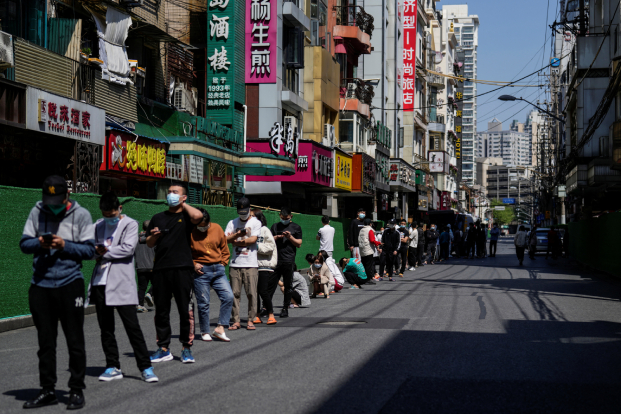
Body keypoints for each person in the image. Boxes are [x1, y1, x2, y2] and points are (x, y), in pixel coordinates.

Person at [20, 175, 95, 409]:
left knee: (75, 340)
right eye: (48, 199)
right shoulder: (37, 212)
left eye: (57, 199)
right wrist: (40, 243)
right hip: (40, 285)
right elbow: (24, 244)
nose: (52, 204)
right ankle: (47, 390)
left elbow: (89, 251)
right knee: (45, 342)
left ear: (67, 196)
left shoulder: (81, 215)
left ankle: (76, 390)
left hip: (70, 283)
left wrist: (65, 245)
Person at [90, 192, 157, 384]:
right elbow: (89, 250)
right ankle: (112, 366)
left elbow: (128, 248)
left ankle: (145, 367)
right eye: (105, 215)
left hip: (122, 284)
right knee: (106, 328)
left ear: (120, 209)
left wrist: (103, 251)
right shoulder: (97, 225)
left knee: (132, 327)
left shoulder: (130, 224)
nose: (108, 218)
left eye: (111, 214)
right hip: (100, 283)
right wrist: (96, 252)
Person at [147, 183, 203, 364]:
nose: (170, 194)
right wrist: (154, 236)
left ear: (183, 197)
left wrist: (182, 204)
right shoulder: (158, 217)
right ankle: (163, 348)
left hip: (183, 268)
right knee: (161, 310)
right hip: (161, 269)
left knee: (185, 310)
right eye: (169, 192)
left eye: (175, 192)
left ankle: (186, 348)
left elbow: (198, 216)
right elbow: (148, 243)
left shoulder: (187, 217)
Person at [191, 207, 233, 342]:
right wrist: (193, 264)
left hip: (218, 269)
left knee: (228, 296)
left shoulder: (217, 228)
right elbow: (184, 251)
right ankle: (204, 331)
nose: (203, 228)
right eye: (200, 226)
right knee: (203, 302)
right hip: (201, 270)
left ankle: (220, 328)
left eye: (206, 226)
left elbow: (224, 248)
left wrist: (223, 263)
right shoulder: (190, 231)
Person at [225, 197, 261, 331]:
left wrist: (238, 241)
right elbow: (226, 239)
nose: (242, 215)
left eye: (244, 212)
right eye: (240, 212)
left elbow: (253, 239)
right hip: (235, 263)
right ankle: (236, 320)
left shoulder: (256, 222)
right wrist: (237, 235)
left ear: (249, 210)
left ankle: (251, 320)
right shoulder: (232, 223)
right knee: (234, 294)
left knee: (251, 293)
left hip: (250, 263)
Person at [270, 206, 303, 318]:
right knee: (271, 284)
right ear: (280, 216)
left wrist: (290, 237)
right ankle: (267, 307)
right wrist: (277, 237)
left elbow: (298, 243)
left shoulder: (296, 227)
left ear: (291, 216)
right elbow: (269, 240)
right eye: (282, 217)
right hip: (275, 259)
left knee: (288, 285)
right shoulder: (275, 226)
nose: (284, 219)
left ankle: (285, 308)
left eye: (286, 217)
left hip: (289, 260)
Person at [253, 210, 278, 325]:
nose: (250, 219)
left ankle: (271, 315)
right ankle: (257, 315)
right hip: (251, 265)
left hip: (263, 265)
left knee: (263, 291)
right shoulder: (249, 230)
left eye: (253, 216)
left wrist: (257, 246)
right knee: (254, 292)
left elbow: (270, 246)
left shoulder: (265, 230)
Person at [135, 220, 155, 312]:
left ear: (142, 228)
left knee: (142, 287)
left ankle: (140, 305)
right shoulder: (153, 239)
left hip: (140, 267)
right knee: (158, 283)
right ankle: (150, 294)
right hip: (152, 267)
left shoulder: (135, 239)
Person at [358, 218, 381, 283]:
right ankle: (368, 279)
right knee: (369, 265)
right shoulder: (370, 230)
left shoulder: (361, 230)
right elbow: (372, 240)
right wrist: (379, 243)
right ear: (370, 224)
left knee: (364, 265)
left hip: (362, 250)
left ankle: (363, 278)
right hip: (368, 250)